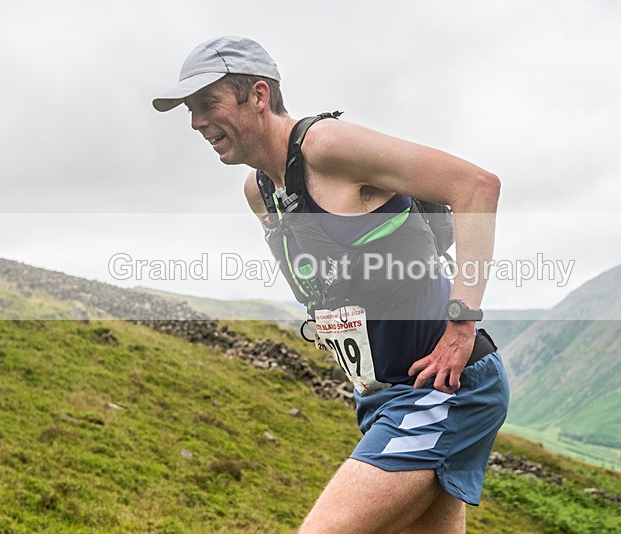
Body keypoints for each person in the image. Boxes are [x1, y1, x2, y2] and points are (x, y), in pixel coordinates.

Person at [154, 35, 509, 534]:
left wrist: (462, 322)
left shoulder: (326, 146)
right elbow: (309, 272)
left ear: (258, 96)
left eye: (207, 104)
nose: (195, 122)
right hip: (382, 396)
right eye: (190, 110)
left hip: (444, 387)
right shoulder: (258, 191)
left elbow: (476, 186)